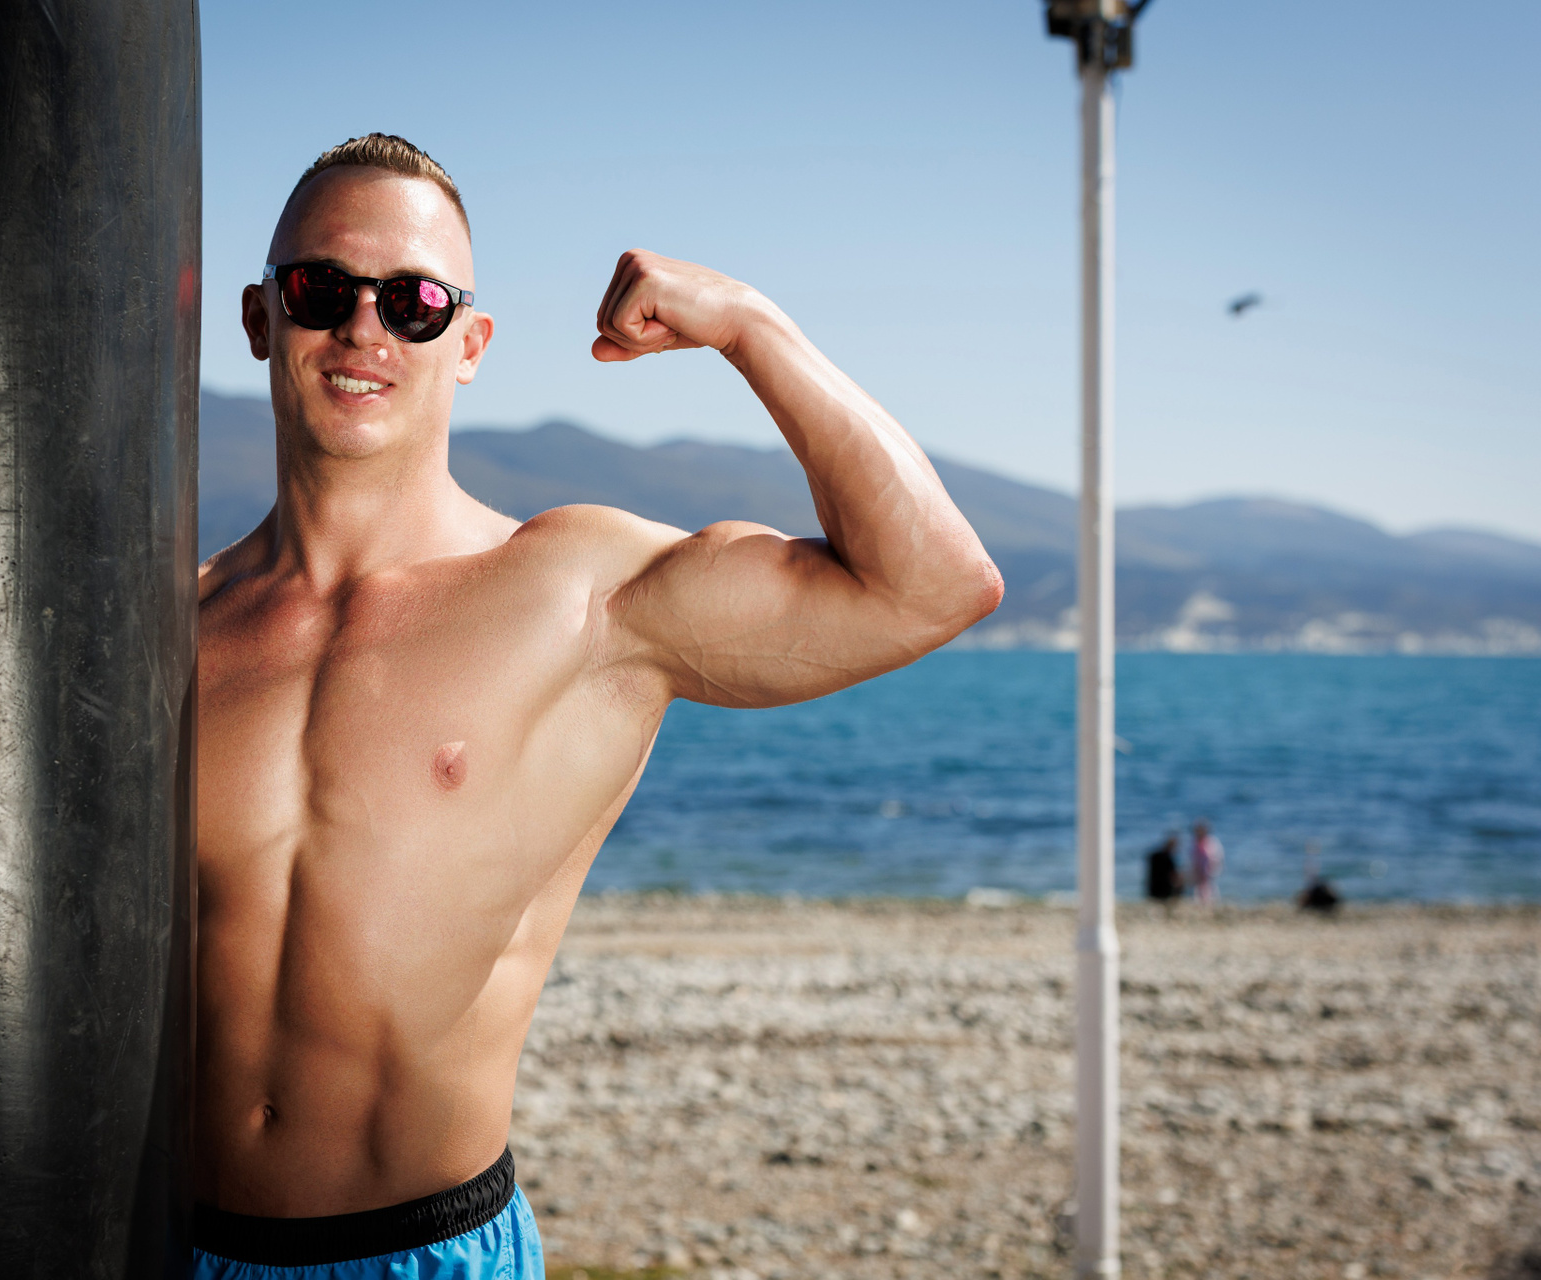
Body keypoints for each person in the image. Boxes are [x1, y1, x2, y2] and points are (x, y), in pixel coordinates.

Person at [193, 134, 1003, 1280]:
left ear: (469, 344)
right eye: (324, 289)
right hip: (172, 1243)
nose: (366, 327)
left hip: (427, 1250)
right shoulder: (168, 625)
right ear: (260, 316)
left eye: (415, 302)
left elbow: (932, 586)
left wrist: (748, 325)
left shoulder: (580, 593)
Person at [1189, 819, 1224, 904]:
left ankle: (1212, 903)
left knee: (1210, 887)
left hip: (1209, 870)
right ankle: (1200, 903)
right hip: (1198, 870)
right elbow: (1191, 858)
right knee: (1199, 888)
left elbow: (1217, 858)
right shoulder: (1194, 843)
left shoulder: (1212, 842)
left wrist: (1212, 869)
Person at [1144, 830, 1183, 905]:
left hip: (1152, 890)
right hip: (1164, 892)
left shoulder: (1154, 856)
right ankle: (1174, 902)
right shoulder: (1169, 859)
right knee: (1180, 881)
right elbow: (1174, 877)